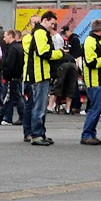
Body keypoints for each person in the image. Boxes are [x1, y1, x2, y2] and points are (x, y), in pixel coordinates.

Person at [22, 11, 63, 146]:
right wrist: (59, 53)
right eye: (51, 23)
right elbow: (43, 52)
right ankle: (37, 134)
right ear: (45, 20)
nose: (53, 26)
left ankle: (40, 133)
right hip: (39, 74)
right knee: (39, 107)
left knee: (40, 106)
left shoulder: (40, 33)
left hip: (41, 73)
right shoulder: (40, 33)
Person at [79, 19, 101, 145]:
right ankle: (86, 135)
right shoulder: (90, 41)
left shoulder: (99, 41)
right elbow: (91, 63)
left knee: (98, 108)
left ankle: (91, 133)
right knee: (94, 109)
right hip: (93, 80)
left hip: (100, 80)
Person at [0, 29, 25, 125]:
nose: (4, 39)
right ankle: (3, 117)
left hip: (11, 77)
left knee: (12, 97)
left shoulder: (12, 49)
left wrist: (6, 74)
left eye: (5, 36)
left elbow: (9, 64)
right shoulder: (19, 47)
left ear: (11, 36)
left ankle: (22, 116)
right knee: (10, 98)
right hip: (16, 76)